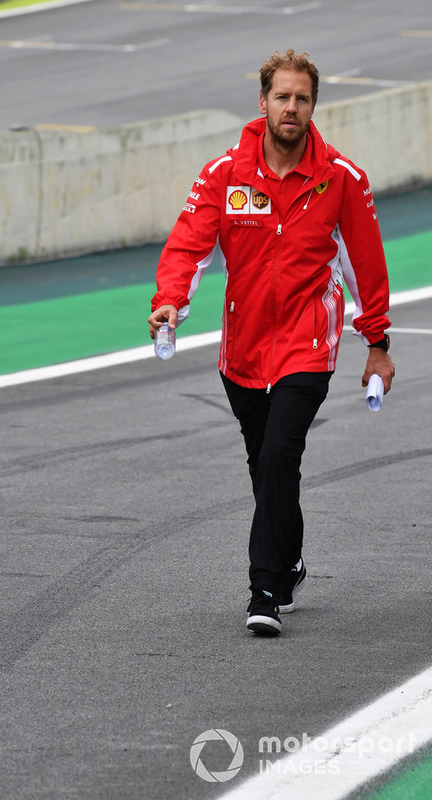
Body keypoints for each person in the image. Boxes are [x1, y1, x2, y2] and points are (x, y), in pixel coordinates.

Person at [147, 49, 395, 636]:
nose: (291, 107)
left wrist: (377, 341)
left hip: (309, 344)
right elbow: (190, 247)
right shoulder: (223, 174)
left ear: (314, 106)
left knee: (282, 453)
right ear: (263, 103)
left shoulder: (341, 178)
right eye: (281, 97)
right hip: (244, 349)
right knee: (268, 470)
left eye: (302, 98)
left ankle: (265, 589)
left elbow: (366, 266)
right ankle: (291, 555)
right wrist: (170, 302)